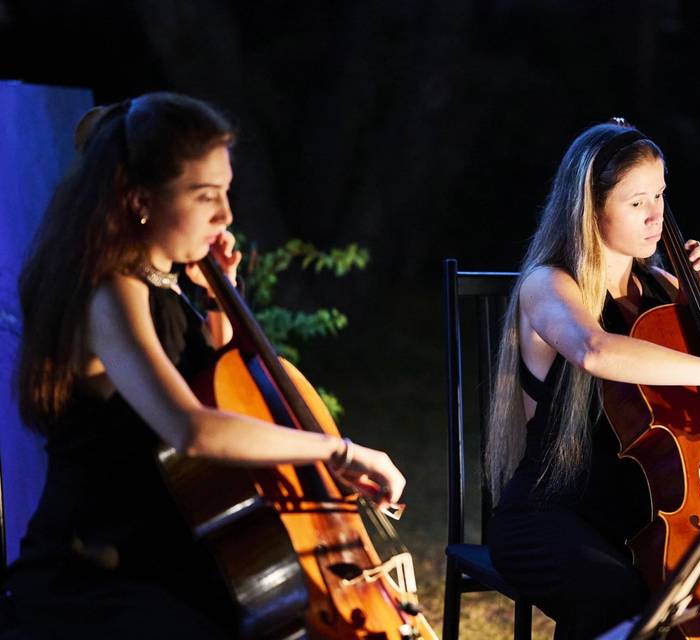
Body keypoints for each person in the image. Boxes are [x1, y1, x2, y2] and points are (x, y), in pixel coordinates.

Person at [1, 92, 405, 638]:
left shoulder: (162, 283)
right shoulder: (111, 291)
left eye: (227, 193)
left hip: (167, 557)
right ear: (140, 199)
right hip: (97, 576)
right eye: (205, 196)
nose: (226, 215)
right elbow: (192, 428)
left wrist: (220, 298)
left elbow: (215, 383)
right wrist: (339, 451)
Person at [485, 119, 700, 639]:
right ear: (590, 209)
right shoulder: (549, 284)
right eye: (637, 202)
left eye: (661, 195)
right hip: (551, 513)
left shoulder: (666, 288)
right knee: (621, 595)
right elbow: (595, 350)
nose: (657, 216)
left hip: (641, 516)